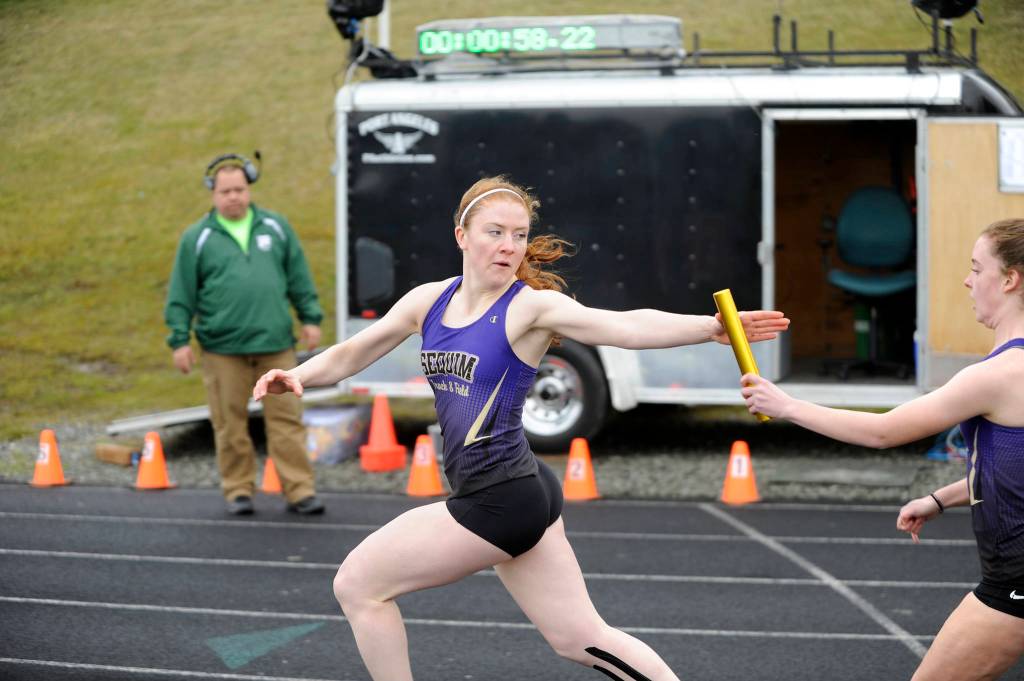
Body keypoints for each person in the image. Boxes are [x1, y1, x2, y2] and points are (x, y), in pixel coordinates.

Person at [253, 175, 790, 680]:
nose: (509, 245)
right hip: (521, 492)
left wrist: (709, 328)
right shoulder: (428, 301)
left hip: (501, 499)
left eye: (519, 235)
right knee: (580, 638)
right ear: (461, 235)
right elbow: (351, 354)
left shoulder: (530, 308)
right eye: (495, 233)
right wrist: (296, 375)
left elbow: (623, 325)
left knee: (358, 585)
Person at [741, 218, 1024, 681]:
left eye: (977, 268)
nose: (968, 281)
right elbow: (1011, 467)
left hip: (1014, 584)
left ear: (1009, 279)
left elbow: (884, 432)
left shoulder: (996, 376)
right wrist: (939, 499)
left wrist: (788, 405)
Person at [165, 152, 326, 516]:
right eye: (225, 191)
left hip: (276, 346)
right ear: (213, 193)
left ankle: (300, 491)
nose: (233, 197)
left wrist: (310, 319)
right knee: (229, 423)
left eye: (239, 189)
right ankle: (238, 491)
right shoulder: (198, 238)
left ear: (248, 189)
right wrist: (179, 340)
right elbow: (181, 294)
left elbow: (299, 278)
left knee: (287, 420)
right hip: (222, 349)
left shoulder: (277, 227)